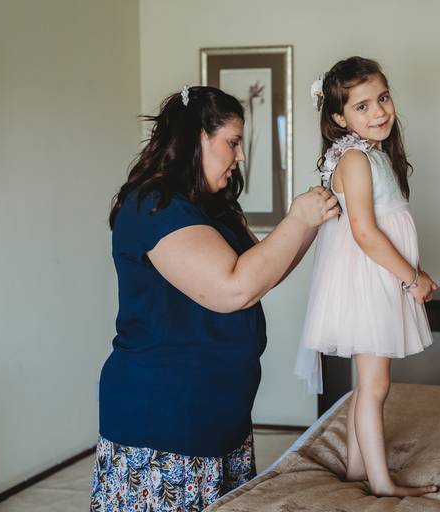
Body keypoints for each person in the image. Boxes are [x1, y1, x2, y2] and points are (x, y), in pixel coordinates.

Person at [91, 85, 339, 511]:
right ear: (196, 139)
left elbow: (263, 274)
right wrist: (297, 217)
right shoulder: (154, 206)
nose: (240, 156)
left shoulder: (212, 207)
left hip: (220, 416)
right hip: (164, 422)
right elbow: (234, 288)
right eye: (233, 142)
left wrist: (311, 224)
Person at [296, 57, 438, 498]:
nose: (379, 112)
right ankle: (381, 483)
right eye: (362, 107)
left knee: (368, 384)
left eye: (382, 98)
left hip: (377, 276)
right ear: (339, 117)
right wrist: (411, 278)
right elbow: (364, 232)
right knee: (375, 386)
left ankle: (358, 467)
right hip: (371, 279)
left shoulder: (367, 154)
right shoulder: (355, 158)